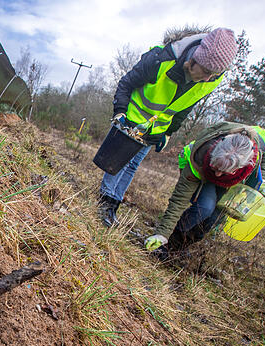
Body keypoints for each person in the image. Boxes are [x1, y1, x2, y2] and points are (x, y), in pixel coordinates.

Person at [98, 27, 239, 227]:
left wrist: (168, 133)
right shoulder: (161, 59)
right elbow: (126, 84)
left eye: (214, 74)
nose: (208, 78)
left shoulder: (212, 79)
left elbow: (185, 107)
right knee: (119, 161)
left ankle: (113, 204)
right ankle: (104, 202)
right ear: (195, 58)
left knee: (132, 166)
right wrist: (120, 112)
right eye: (207, 71)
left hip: (156, 129)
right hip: (131, 120)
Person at [144, 121, 265, 254]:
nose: (218, 174)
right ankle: (169, 243)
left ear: (241, 167)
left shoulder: (260, 145)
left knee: (214, 218)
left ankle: (181, 247)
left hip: (232, 182)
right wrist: (162, 234)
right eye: (216, 169)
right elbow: (179, 201)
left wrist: (262, 179)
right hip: (204, 171)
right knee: (204, 207)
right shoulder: (199, 157)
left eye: (223, 172)